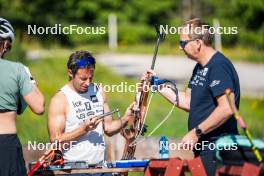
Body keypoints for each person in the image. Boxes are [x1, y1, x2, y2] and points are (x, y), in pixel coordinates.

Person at [143, 18, 240, 175]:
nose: (180, 48)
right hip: (204, 148)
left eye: (183, 43)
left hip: (218, 149)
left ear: (198, 43)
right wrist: (157, 85)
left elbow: (227, 108)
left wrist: (196, 132)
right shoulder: (199, 68)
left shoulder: (218, 66)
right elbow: (189, 102)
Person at [48, 50, 134, 167]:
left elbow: (108, 128)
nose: (88, 83)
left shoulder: (98, 91)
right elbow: (55, 141)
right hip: (73, 170)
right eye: (83, 78)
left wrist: (125, 118)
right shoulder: (60, 100)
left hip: (100, 167)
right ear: (70, 73)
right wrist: (83, 129)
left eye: (91, 78)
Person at [0, 17, 45, 175]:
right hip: (5, 146)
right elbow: (39, 107)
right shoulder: (18, 70)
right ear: (5, 44)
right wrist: (31, 80)